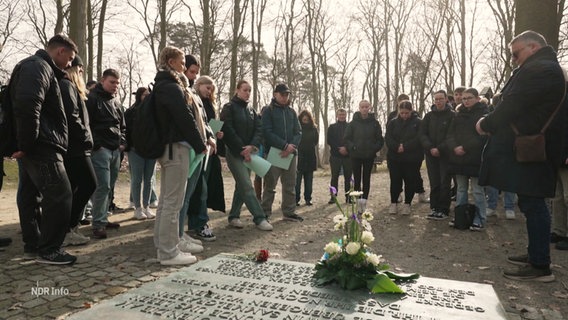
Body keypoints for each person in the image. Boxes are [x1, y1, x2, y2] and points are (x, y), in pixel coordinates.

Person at [476, 30, 565, 282]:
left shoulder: (541, 69)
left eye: (516, 54)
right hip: (530, 145)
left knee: (534, 203)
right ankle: (535, 254)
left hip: (533, 148)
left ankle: (540, 266)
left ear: (533, 47)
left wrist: (486, 124)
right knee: (530, 201)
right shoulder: (543, 68)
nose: (514, 60)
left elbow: (512, 105)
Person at [8, 34, 77, 264]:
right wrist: (26, 145)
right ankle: (50, 250)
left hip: (35, 144)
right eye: (70, 57)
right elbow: (28, 105)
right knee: (60, 195)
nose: (70, 63)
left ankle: (35, 243)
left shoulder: (36, 67)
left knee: (30, 195)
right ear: (60, 51)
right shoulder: (38, 67)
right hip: (42, 145)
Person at [153, 46, 207, 265]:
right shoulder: (171, 87)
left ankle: (163, 244)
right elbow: (184, 118)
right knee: (173, 202)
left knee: (167, 201)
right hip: (176, 148)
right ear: (171, 62)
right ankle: (168, 252)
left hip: (170, 148)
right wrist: (200, 143)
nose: (185, 66)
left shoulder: (164, 85)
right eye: (182, 62)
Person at [221, 80, 273, 231]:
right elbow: (228, 129)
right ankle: (260, 218)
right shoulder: (228, 107)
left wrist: (251, 147)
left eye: (249, 90)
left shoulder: (252, 109)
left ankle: (234, 216)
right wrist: (241, 149)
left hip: (249, 153)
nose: (247, 93)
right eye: (245, 90)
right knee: (246, 185)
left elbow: (259, 129)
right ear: (237, 90)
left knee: (241, 186)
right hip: (234, 153)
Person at [178, 55, 217, 242]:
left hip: (202, 149)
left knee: (199, 188)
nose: (193, 76)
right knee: (185, 192)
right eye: (191, 71)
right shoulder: (182, 92)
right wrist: (202, 142)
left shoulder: (200, 99)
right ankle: (184, 229)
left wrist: (210, 136)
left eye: (196, 72)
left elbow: (205, 122)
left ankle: (192, 225)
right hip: (189, 148)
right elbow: (189, 122)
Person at [60, 56, 96, 246]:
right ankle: (67, 227)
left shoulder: (73, 89)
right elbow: (72, 116)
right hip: (75, 147)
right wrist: (85, 137)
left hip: (77, 145)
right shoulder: (67, 87)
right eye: (80, 69)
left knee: (75, 188)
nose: (82, 73)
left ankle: (68, 228)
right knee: (90, 183)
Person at [86, 68, 125, 239]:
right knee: (102, 186)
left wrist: (122, 143)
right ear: (103, 80)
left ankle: (103, 217)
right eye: (112, 82)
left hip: (115, 149)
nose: (115, 86)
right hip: (100, 149)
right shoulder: (92, 99)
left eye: (117, 83)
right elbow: (86, 124)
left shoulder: (116, 102)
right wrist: (97, 145)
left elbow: (122, 125)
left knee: (109, 186)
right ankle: (98, 223)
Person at [446, 88, 488, 230]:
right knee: (461, 190)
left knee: (477, 190)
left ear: (477, 98)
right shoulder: (457, 115)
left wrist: (465, 147)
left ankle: (480, 219)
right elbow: (450, 134)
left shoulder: (484, 114)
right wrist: (455, 147)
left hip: (475, 157)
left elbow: (482, 136)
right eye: (464, 99)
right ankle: (460, 217)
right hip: (458, 158)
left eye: (469, 98)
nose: (466, 101)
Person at [261, 83, 303, 222]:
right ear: (275, 94)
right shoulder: (268, 110)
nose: (285, 97)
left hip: (291, 154)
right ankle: (265, 213)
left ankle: (289, 212)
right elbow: (267, 132)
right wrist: (284, 145)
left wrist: (291, 147)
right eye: (282, 94)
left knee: (290, 184)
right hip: (274, 153)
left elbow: (298, 132)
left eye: (287, 94)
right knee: (270, 185)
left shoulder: (292, 112)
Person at [387, 94, 428, 204]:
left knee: (410, 179)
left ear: (411, 111)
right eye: (402, 113)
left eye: (407, 113)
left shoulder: (418, 122)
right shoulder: (392, 121)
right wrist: (397, 146)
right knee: (395, 179)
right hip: (395, 155)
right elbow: (388, 137)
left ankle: (409, 201)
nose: (404, 115)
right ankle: (395, 199)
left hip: (412, 155)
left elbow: (419, 137)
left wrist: (405, 146)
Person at [420, 90, 454, 220]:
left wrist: (440, 148)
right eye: (436, 99)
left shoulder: (452, 116)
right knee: (434, 181)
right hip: (430, 154)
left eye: (441, 99)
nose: (438, 101)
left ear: (446, 99)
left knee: (444, 181)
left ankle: (444, 209)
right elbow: (422, 134)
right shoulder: (428, 116)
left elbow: (452, 135)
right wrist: (430, 147)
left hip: (446, 154)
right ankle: (434, 207)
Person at [344, 99, 384, 210]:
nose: (364, 109)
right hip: (356, 156)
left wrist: (374, 149)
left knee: (366, 178)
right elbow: (347, 139)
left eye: (366, 107)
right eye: (362, 107)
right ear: (359, 108)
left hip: (369, 156)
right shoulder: (352, 123)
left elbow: (380, 140)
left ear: (369, 108)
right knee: (357, 179)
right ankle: (358, 201)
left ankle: (364, 201)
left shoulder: (375, 123)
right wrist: (352, 147)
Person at [124, 87, 156, 220]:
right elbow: (126, 130)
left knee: (149, 180)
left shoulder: (155, 112)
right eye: (144, 95)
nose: (147, 97)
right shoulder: (130, 112)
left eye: (149, 95)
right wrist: (128, 146)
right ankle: (137, 208)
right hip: (135, 150)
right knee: (137, 179)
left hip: (151, 150)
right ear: (139, 96)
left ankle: (146, 206)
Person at [327, 108, 352, 204]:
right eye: (340, 115)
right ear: (337, 115)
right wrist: (339, 148)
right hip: (335, 155)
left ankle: (349, 197)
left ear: (346, 115)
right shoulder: (332, 127)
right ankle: (333, 197)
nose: (342, 116)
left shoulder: (350, 126)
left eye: (343, 115)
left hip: (348, 156)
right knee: (334, 177)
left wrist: (346, 148)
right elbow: (330, 140)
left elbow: (352, 139)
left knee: (348, 177)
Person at [295, 109, 318, 206]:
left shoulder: (314, 128)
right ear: (300, 118)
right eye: (303, 117)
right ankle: (296, 199)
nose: (305, 118)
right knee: (297, 180)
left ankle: (308, 198)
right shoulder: (296, 128)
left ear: (309, 118)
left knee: (309, 180)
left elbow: (316, 141)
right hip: (299, 156)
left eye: (307, 116)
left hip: (310, 156)